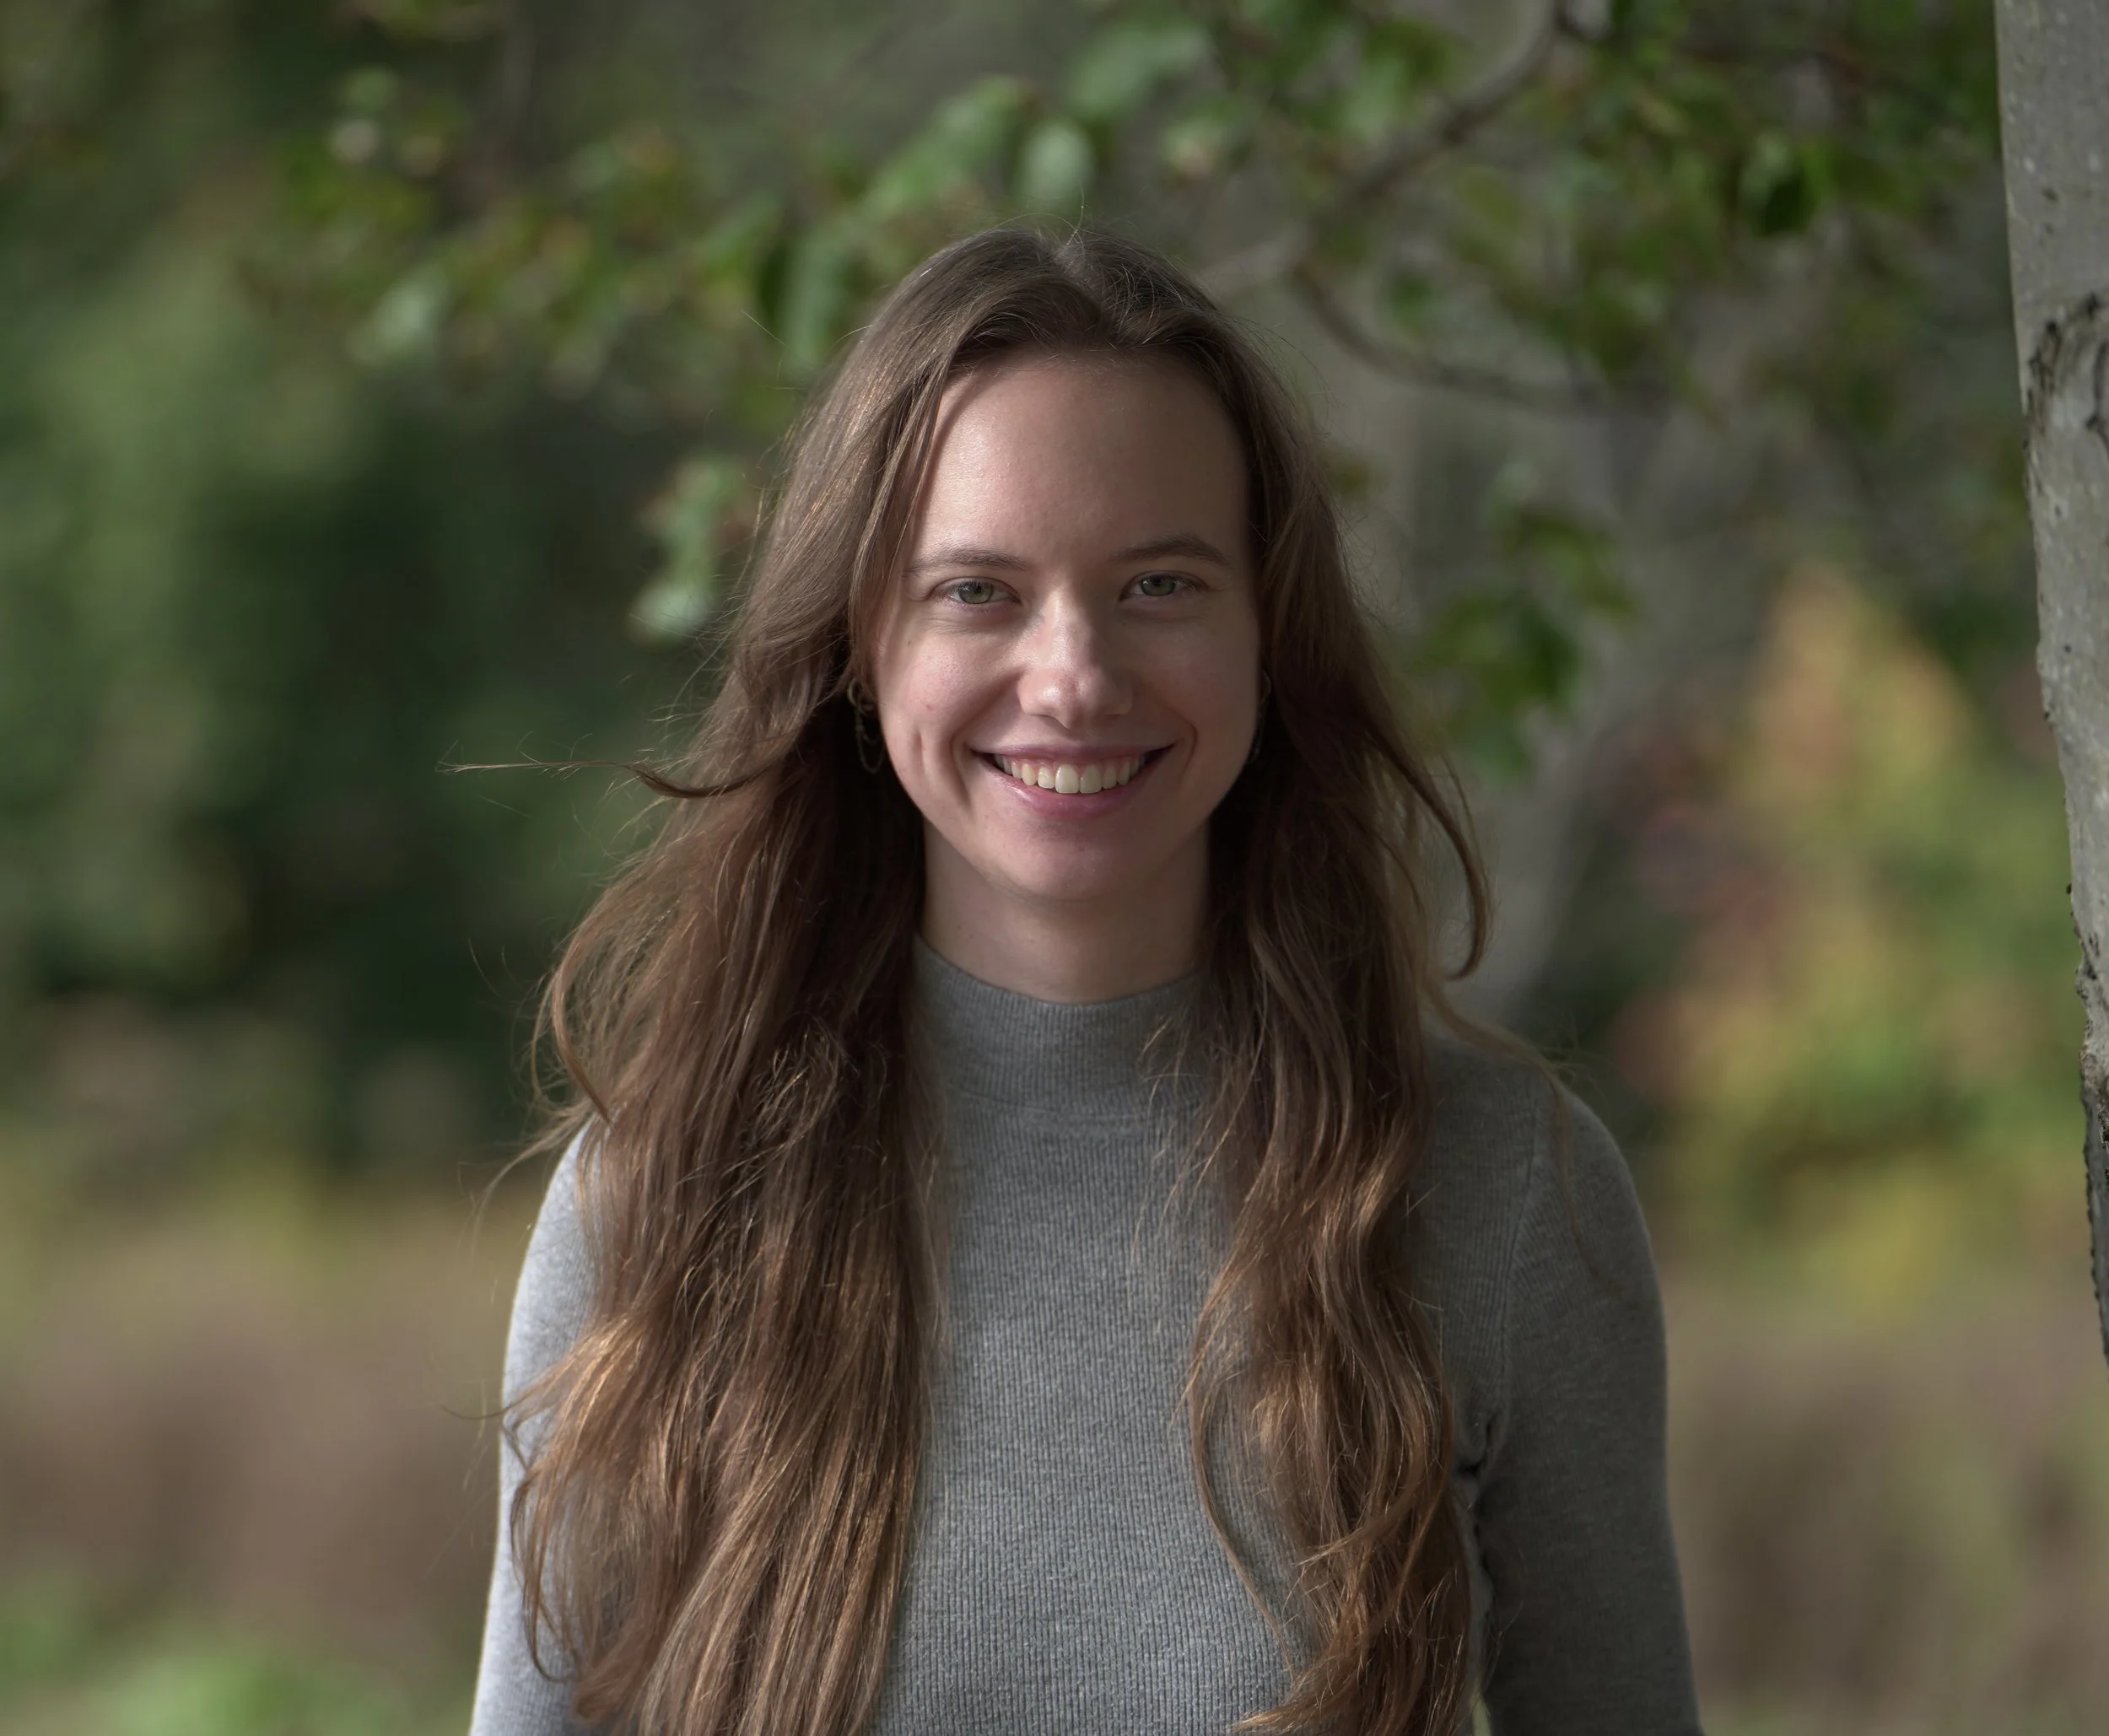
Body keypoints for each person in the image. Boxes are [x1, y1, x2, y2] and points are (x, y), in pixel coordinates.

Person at [467, 224, 1702, 1736]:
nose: (1073, 676)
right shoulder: (657, 1197)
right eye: (977, 590)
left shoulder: (1503, 1187)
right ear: (860, 643)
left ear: (1269, 633)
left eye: (1160, 582)